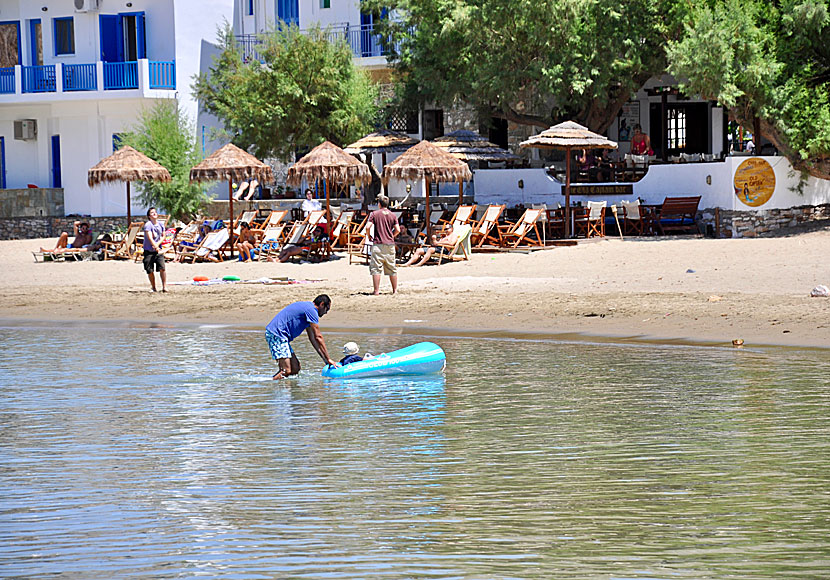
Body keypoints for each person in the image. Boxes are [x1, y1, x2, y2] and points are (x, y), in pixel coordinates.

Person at [265, 295, 338, 379]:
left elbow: (313, 339)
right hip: (277, 334)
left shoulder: (309, 311)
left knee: (295, 368)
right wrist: (329, 358)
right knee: (286, 370)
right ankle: (273, 385)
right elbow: (318, 337)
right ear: (322, 304)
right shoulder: (311, 310)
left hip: (281, 336)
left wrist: (325, 360)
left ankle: (287, 389)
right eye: (327, 309)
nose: (326, 313)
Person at [367, 194, 401, 295]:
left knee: (376, 268)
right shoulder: (393, 215)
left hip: (378, 243)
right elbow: (398, 230)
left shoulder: (374, 214)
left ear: (379, 204)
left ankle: (376, 290)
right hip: (390, 244)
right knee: (392, 268)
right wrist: (392, 235)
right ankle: (395, 290)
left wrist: (369, 236)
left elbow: (368, 227)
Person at [142, 207, 167, 293]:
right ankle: (153, 287)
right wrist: (155, 246)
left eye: (155, 212)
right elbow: (149, 237)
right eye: (152, 213)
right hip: (149, 251)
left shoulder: (161, 224)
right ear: (149, 216)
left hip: (158, 250)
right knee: (150, 270)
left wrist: (157, 245)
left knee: (162, 268)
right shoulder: (148, 225)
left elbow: (163, 236)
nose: (155, 214)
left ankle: (164, 287)